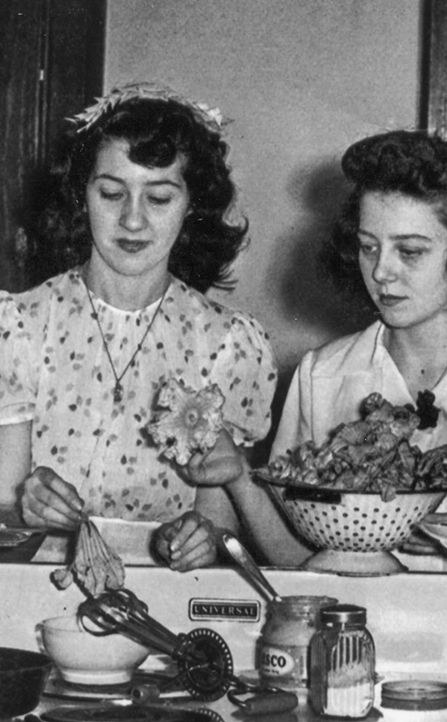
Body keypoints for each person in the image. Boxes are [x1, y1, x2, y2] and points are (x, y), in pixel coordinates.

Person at [186, 129, 447, 564]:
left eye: (410, 251)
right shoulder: (322, 375)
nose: (381, 271)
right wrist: (239, 478)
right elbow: (302, 562)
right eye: (368, 247)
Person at [0, 83, 277, 571]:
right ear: (81, 195)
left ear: (192, 205)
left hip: (164, 595)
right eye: (111, 193)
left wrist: (198, 538)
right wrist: (24, 506)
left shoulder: (228, 344)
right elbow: (3, 505)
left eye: (159, 198)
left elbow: (218, 521)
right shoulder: (19, 325)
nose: (132, 220)